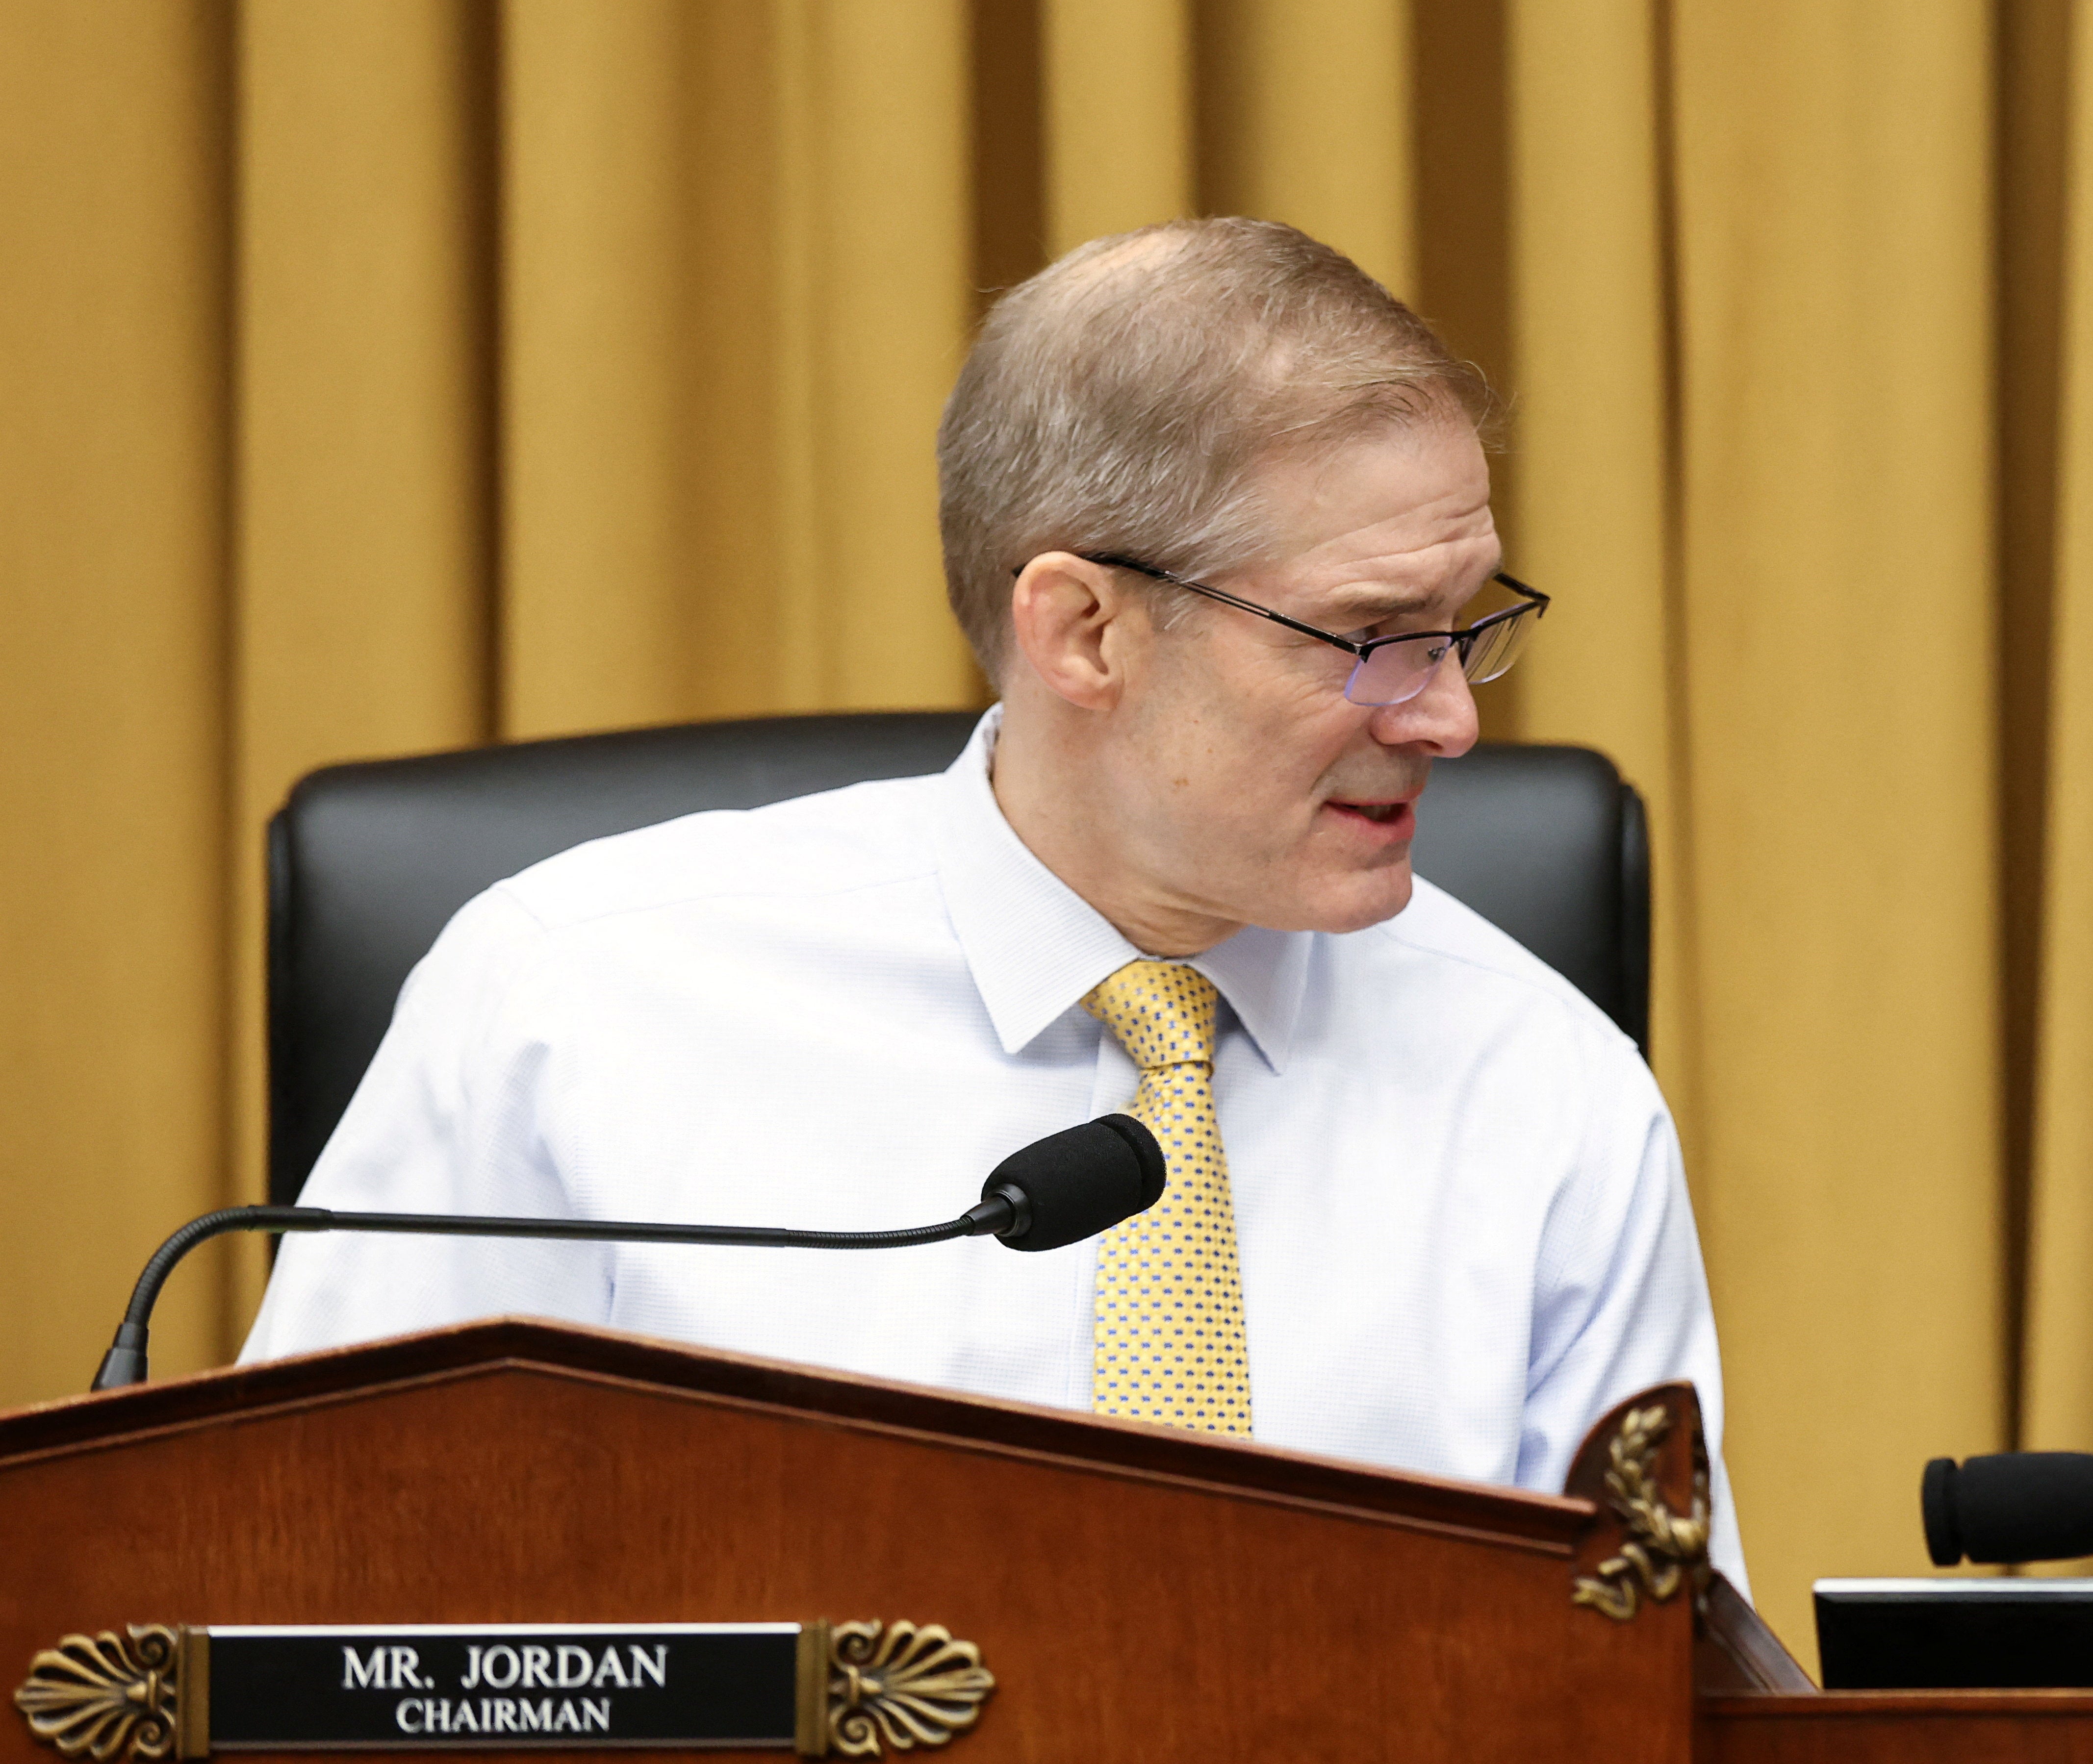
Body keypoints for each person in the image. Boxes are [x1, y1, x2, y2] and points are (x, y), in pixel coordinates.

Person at [242, 218, 1740, 1580]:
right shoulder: (571, 1005)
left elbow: (1658, 1706)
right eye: (1369, 637)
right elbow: (304, 1587)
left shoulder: (1545, 1089)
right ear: (1083, 630)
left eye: (1459, 625)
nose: (1450, 718)